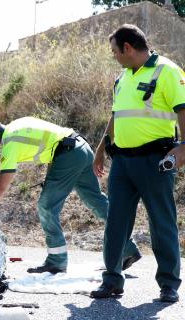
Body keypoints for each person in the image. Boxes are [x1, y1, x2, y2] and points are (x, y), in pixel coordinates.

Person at [0, 110, 140, 274]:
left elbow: (0, 187)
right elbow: (52, 142)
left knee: (46, 207)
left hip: (68, 154)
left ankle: (56, 260)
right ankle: (129, 248)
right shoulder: (17, 125)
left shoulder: (9, 141)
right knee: (97, 202)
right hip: (80, 147)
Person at [91, 24, 185, 303]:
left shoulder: (167, 71)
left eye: (114, 51)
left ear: (128, 48)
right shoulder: (121, 78)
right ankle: (112, 280)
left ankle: (168, 284)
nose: (114, 56)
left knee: (161, 222)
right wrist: (100, 149)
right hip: (122, 161)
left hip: (155, 160)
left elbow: (183, 111)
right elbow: (116, 116)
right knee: (116, 222)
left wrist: (184, 148)